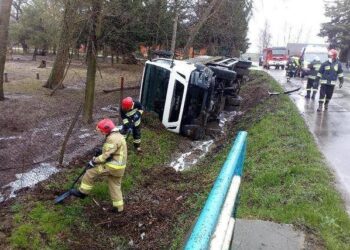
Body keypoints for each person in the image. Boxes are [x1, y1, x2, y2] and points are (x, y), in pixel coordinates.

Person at [71, 119, 127, 213]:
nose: (101, 133)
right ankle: (119, 208)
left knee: (90, 172)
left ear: (106, 130)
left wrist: (94, 161)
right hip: (120, 167)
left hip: (113, 166)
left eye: (102, 131)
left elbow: (106, 156)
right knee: (115, 185)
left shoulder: (112, 138)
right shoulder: (118, 136)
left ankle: (83, 192)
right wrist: (101, 150)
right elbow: (112, 150)